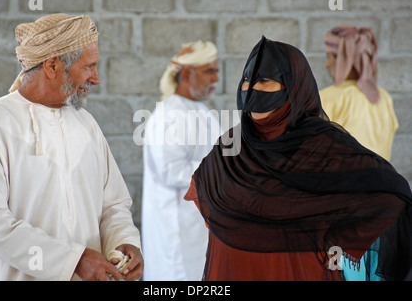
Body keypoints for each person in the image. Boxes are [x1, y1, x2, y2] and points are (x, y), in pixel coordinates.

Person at [184, 35, 412, 281]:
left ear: (295, 88)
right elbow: (203, 192)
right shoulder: (230, 148)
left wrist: (337, 237)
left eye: (264, 81)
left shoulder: (324, 147)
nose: (251, 89)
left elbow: (390, 191)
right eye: (247, 80)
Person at [0, 14, 143, 281]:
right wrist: (74, 260)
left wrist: (124, 242)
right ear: (52, 65)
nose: (96, 79)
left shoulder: (86, 124)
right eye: (89, 67)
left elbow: (113, 204)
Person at [142, 40, 221, 280]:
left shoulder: (201, 110)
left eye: (216, 71)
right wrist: (224, 171)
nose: (216, 79)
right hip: (178, 230)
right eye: (209, 72)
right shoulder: (169, 115)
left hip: (201, 227)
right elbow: (172, 172)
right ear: (187, 74)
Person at [320, 24, 398, 161]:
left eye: (330, 57)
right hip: (382, 180)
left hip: (344, 181)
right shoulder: (384, 97)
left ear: (343, 59)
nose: (327, 64)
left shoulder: (328, 97)